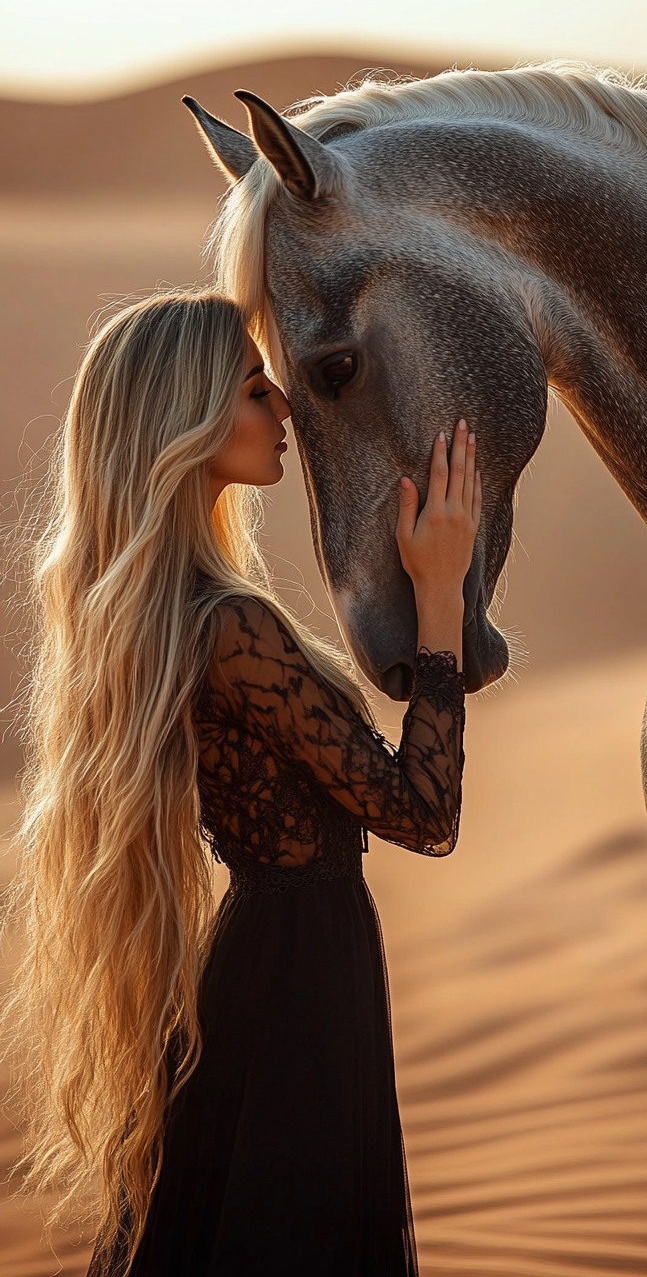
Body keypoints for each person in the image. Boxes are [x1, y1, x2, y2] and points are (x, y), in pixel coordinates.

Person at [3, 291, 480, 1277]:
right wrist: (441, 594)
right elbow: (422, 811)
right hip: (297, 996)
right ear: (190, 422)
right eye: (256, 389)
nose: (285, 408)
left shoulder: (182, 614)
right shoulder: (230, 628)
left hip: (277, 970)